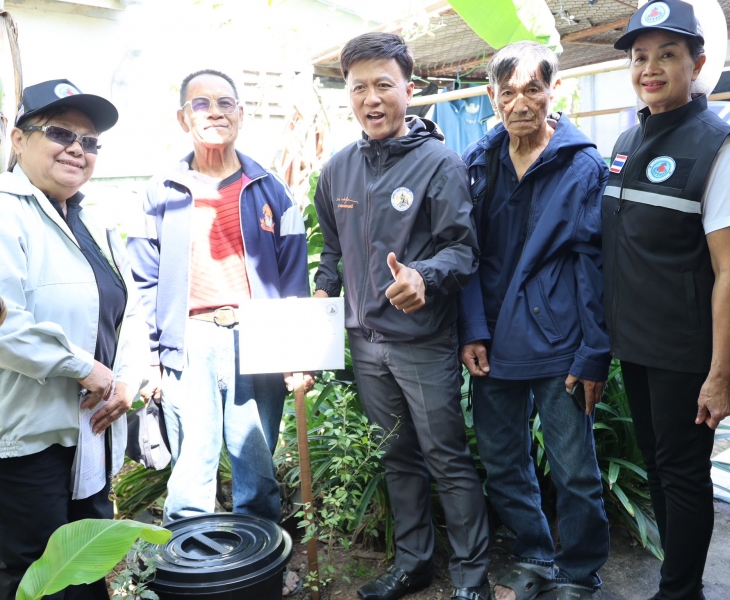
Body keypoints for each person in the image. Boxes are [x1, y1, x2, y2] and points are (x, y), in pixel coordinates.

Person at [313, 32, 491, 600]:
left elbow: (462, 249)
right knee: (396, 454)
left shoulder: (439, 163)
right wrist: (323, 290)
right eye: (358, 87)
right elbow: (332, 249)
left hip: (422, 341)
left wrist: (423, 276)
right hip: (365, 344)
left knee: (446, 457)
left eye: (383, 85)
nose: (371, 98)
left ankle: (472, 578)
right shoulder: (337, 169)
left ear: (408, 90)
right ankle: (414, 563)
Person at [126, 69, 310, 597]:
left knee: (257, 465)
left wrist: (295, 349)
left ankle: (261, 574)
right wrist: (152, 358)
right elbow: (143, 280)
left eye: (225, 103)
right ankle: (188, 580)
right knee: (192, 467)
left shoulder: (269, 188)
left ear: (241, 115)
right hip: (188, 341)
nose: (214, 112)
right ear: (182, 117)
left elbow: (294, 273)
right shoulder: (161, 191)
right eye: (201, 104)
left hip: (259, 338)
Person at [603, 1, 730, 598]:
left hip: (685, 353)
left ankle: (680, 591)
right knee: (660, 470)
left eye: (667, 54)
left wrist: (720, 372)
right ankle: (677, 584)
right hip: (636, 345)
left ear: (698, 63)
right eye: (640, 57)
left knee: (684, 475)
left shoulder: (717, 147)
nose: (650, 68)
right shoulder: (627, 138)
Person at [459, 41, 610, 600]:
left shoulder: (583, 165)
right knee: (503, 461)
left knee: (574, 468)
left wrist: (594, 352)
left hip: (559, 343)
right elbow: (465, 254)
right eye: (507, 93)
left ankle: (579, 571)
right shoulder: (479, 162)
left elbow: (595, 267)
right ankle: (535, 554)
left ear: (554, 90)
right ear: (492, 97)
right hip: (493, 341)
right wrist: (471, 329)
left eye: (532, 89)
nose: (519, 103)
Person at [0, 79, 149, 600]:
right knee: (35, 577)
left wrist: (126, 380)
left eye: (89, 141)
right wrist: (83, 367)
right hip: (28, 439)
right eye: (60, 133)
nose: (77, 149)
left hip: (91, 432)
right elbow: (4, 322)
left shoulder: (94, 220)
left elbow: (130, 309)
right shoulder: (6, 212)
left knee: (85, 570)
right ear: (18, 139)